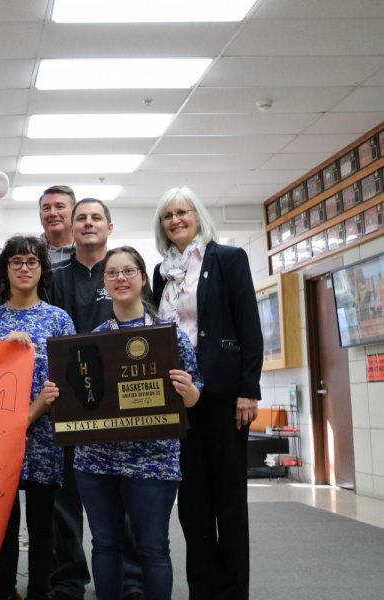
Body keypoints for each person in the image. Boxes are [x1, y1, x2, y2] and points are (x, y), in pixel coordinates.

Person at [151, 187, 262, 600]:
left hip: (222, 395)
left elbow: (249, 326)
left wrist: (248, 390)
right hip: (178, 399)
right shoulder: (161, 270)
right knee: (192, 503)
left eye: (183, 212)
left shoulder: (228, 259)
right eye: (168, 216)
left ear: (198, 216)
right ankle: (203, 590)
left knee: (228, 503)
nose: (176, 220)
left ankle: (232, 593)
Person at [76, 246, 203, 600]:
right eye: (113, 273)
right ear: (104, 283)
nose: (121, 278)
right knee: (104, 546)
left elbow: (195, 393)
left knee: (153, 549)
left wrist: (188, 391)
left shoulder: (169, 334)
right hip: (96, 461)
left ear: (143, 278)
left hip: (154, 460)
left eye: (129, 271)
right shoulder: (92, 338)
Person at [50, 198, 144, 600]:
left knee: (122, 501)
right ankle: (69, 581)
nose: (88, 224)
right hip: (67, 401)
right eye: (81, 218)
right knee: (64, 501)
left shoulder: (122, 271)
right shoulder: (54, 277)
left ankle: (132, 581)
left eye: (95, 218)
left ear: (110, 226)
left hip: (118, 404)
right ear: (71, 228)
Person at [0, 236, 74, 600]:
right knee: (3, 525)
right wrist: (3, 354)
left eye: (32, 261)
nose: (24, 268)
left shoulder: (59, 319)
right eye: (16, 261)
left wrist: (32, 414)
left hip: (45, 439)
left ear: (42, 269)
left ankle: (39, 593)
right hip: (0, 443)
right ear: (4, 271)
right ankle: (4, 593)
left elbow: (67, 380)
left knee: (44, 526)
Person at [39, 186, 76, 264]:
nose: (52, 213)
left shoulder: (91, 251)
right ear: (40, 217)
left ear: (74, 214)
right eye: (46, 208)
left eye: (60, 207)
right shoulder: (30, 254)